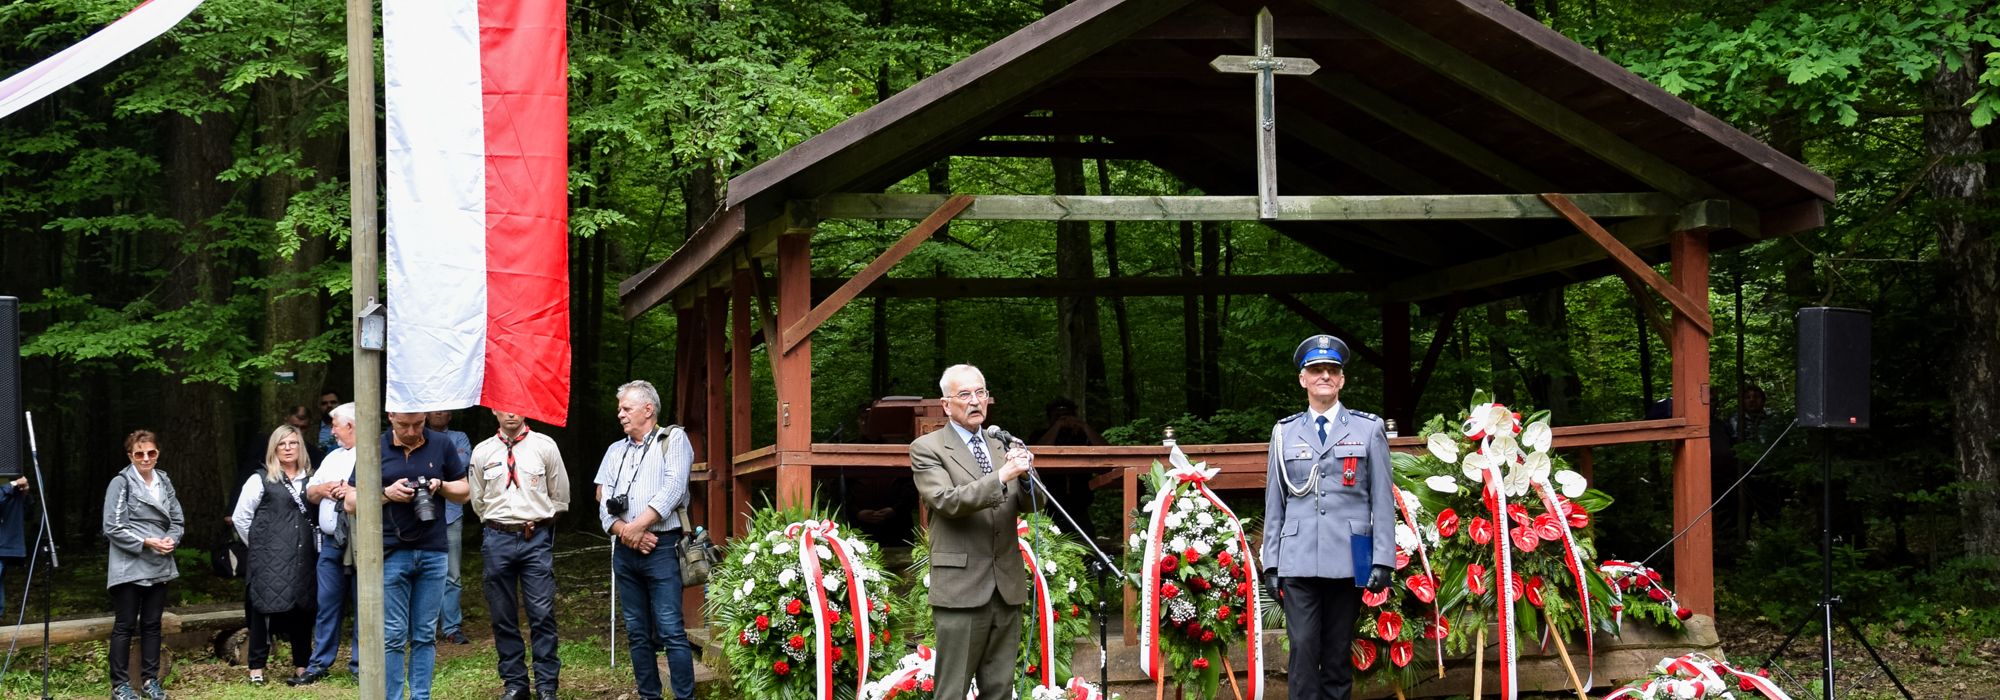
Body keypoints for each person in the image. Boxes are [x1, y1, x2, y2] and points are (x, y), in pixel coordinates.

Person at [1261, 335, 1393, 700]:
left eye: (1332, 370)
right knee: (1302, 650)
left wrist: (1383, 558)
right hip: (1298, 559)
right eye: (1316, 370)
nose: (1324, 376)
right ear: (1303, 378)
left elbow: (1381, 499)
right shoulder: (1284, 432)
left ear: (1342, 380)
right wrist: (1271, 562)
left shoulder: (1368, 429)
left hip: (1349, 559)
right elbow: (1276, 503)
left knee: (1337, 655)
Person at [910, 364, 1038, 700]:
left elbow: (1030, 504)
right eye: (964, 394)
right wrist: (1002, 476)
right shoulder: (928, 448)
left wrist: (1025, 476)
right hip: (962, 588)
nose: (975, 401)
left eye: (980, 392)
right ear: (946, 404)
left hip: (1006, 586)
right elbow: (946, 501)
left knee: (999, 690)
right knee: (952, 691)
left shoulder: (1001, 444)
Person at [344, 411, 470, 700]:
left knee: (425, 634)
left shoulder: (442, 444)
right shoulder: (374, 447)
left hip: (434, 550)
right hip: (391, 551)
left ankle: (421, 696)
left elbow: (464, 492)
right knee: (393, 635)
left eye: (418, 424)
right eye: (404, 424)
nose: (412, 431)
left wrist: (441, 486)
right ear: (390, 417)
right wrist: (387, 493)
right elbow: (351, 502)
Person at [594, 380, 695, 700]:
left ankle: (684, 697)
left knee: (670, 630)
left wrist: (638, 526)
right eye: (620, 409)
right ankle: (649, 696)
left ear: (648, 409)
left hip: (663, 547)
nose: (620, 415)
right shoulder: (614, 450)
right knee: (637, 633)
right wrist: (628, 533)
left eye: (626, 408)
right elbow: (603, 501)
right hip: (626, 550)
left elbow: (673, 489)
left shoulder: (674, 439)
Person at [470, 409, 570, 700]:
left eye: (517, 405)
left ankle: (547, 685)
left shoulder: (545, 446)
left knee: (542, 613)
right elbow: (478, 499)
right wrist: (497, 522)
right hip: (497, 536)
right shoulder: (483, 451)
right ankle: (515, 683)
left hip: (535, 536)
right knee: (502, 615)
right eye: (504, 405)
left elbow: (560, 494)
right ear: (494, 410)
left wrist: (538, 520)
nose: (511, 413)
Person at [231, 425, 319, 685]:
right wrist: (260, 546)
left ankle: (302, 665)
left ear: (300, 447)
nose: (289, 448)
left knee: (302, 611)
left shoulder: (313, 480)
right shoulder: (260, 479)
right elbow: (240, 517)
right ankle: (256, 668)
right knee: (262, 612)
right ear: (274, 449)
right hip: (268, 560)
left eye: (293, 443)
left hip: (304, 557)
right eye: (283, 444)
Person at [103, 430, 184, 700]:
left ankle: (151, 681)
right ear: (130, 456)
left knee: (152, 624)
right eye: (139, 453)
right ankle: (120, 685)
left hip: (159, 562)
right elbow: (112, 526)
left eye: (151, 452)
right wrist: (148, 541)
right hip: (129, 563)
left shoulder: (164, 481)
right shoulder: (121, 482)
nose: (145, 458)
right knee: (125, 624)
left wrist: (170, 540)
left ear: (158, 454)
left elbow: (177, 519)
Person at [297, 402, 359, 685]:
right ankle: (319, 663)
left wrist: (349, 491)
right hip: (331, 542)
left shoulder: (374, 454)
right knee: (327, 604)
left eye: (336, 425)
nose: (332, 430)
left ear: (351, 426)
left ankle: (361, 664)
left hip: (361, 543)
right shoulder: (333, 456)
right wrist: (325, 489)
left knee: (364, 604)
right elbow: (310, 491)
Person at [427, 409, 473, 645]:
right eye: (433, 410)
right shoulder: (417, 437)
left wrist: (433, 464)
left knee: (452, 574)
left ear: (450, 415)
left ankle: (452, 627)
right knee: (422, 572)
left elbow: (463, 462)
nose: (438, 413)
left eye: (443, 410)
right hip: (422, 517)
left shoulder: (459, 437)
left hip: (452, 514)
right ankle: (424, 627)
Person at [0, 475, 28, 622]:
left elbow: (29, 514)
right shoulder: (9, 484)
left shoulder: (10, 477)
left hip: (5, 546)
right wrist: (12, 484)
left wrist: (23, 495)